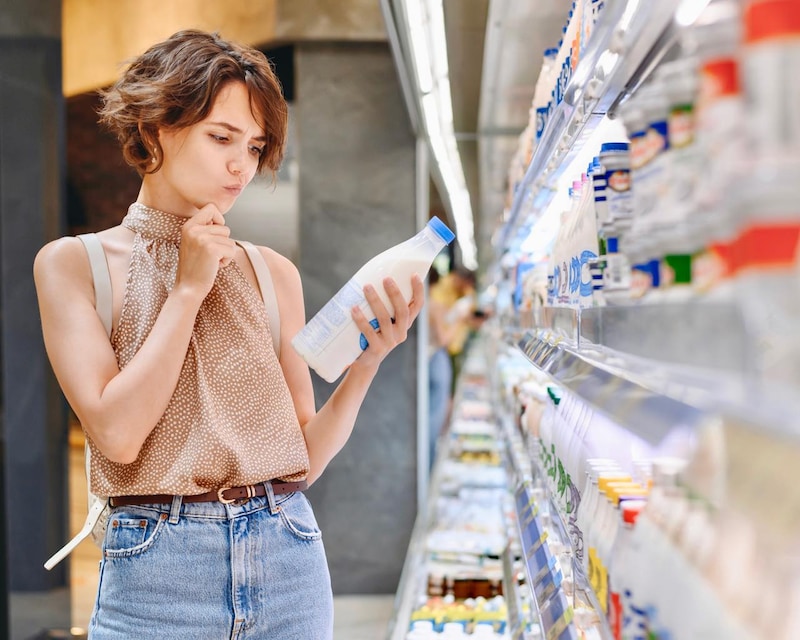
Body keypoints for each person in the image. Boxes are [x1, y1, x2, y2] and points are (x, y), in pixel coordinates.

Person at [33, 30, 424, 639]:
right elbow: (117, 434)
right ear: (157, 125)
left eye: (256, 144)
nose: (242, 165)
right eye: (221, 138)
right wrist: (187, 290)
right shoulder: (73, 264)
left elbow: (304, 460)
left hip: (287, 554)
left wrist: (368, 362)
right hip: (157, 576)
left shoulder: (273, 275)